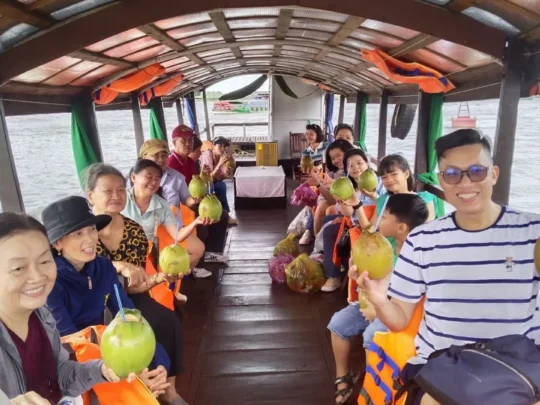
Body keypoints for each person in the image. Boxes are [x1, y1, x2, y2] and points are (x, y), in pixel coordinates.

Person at [357, 129, 540, 405]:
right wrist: (379, 299)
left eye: (477, 171)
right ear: (441, 180)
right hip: (442, 370)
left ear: (494, 174)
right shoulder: (422, 240)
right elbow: (398, 320)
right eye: (452, 174)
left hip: (518, 371)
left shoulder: (532, 233)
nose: (465, 183)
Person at [41, 196, 175, 401]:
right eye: (78, 233)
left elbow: (129, 315)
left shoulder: (103, 267)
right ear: (58, 243)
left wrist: (159, 364)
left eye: (92, 230)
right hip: (69, 364)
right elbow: (70, 341)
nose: (90, 239)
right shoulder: (50, 282)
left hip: (107, 347)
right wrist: (130, 375)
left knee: (162, 335)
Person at [81, 164, 191, 404]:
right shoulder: (82, 232)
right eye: (107, 191)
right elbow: (85, 274)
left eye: (121, 190)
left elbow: (133, 286)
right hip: (91, 301)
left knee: (167, 321)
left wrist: (158, 279)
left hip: (124, 297)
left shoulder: (135, 231)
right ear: (90, 195)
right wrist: (117, 264)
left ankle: (168, 389)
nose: (116, 196)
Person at [0, 212, 132, 402]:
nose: (37, 276)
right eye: (18, 268)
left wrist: (102, 369)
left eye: (45, 261)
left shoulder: (41, 316)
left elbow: (60, 374)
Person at [327, 194, 429, 404]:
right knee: (338, 323)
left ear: (400, 227)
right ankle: (343, 377)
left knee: (372, 334)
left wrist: (376, 311)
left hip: (401, 313)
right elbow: (375, 282)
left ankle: (372, 385)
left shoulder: (420, 254)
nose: (378, 221)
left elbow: (416, 303)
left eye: (384, 217)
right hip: (377, 302)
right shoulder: (384, 245)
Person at [139, 140, 228, 263]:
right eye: (155, 155)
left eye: (164, 155)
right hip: (144, 228)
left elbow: (186, 199)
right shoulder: (136, 180)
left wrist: (195, 199)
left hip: (171, 226)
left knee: (198, 248)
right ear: (144, 157)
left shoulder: (176, 177)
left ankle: (187, 268)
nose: (160, 159)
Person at [124, 159, 212, 279]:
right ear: (134, 177)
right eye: (149, 177)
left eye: (157, 178)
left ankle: (168, 280)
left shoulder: (161, 204)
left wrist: (196, 222)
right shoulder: (122, 199)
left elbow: (177, 235)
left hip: (147, 253)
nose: (153, 182)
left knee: (194, 250)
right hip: (122, 251)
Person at [320, 148, 385, 292]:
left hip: (373, 226)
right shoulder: (348, 185)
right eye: (350, 165)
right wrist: (343, 203)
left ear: (367, 163)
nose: (356, 168)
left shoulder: (379, 181)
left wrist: (373, 195)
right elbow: (349, 213)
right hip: (355, 222)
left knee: (331, 230)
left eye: (359, 163)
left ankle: (333, 276)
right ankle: (336, 262)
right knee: (328, 220)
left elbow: (386, 205)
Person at [306, 139, 355, 236]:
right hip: (340, 201)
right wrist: (319, 183)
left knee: (324, 208)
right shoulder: (335, 172)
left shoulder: (353, 170)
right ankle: (318, 241)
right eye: (332, 158)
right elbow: (332, 198)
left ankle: (321, 242)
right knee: (320, 206)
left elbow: (337, 197)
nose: (336, 160)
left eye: (339, 155)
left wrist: (330, 183)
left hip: (350, 203)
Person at [199, 136, 237, 225]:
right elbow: (210, 177)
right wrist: (220, 164)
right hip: (203, 182)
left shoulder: (223, 157)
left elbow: (219, 178)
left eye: (224, 147)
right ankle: (210, 214)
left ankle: (225, 214)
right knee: (211, 187)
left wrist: (227, 172)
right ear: (213, 147)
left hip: (212, 181)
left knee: (221, 186)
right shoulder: (207, 155)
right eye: (220, 146)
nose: (223, 149)